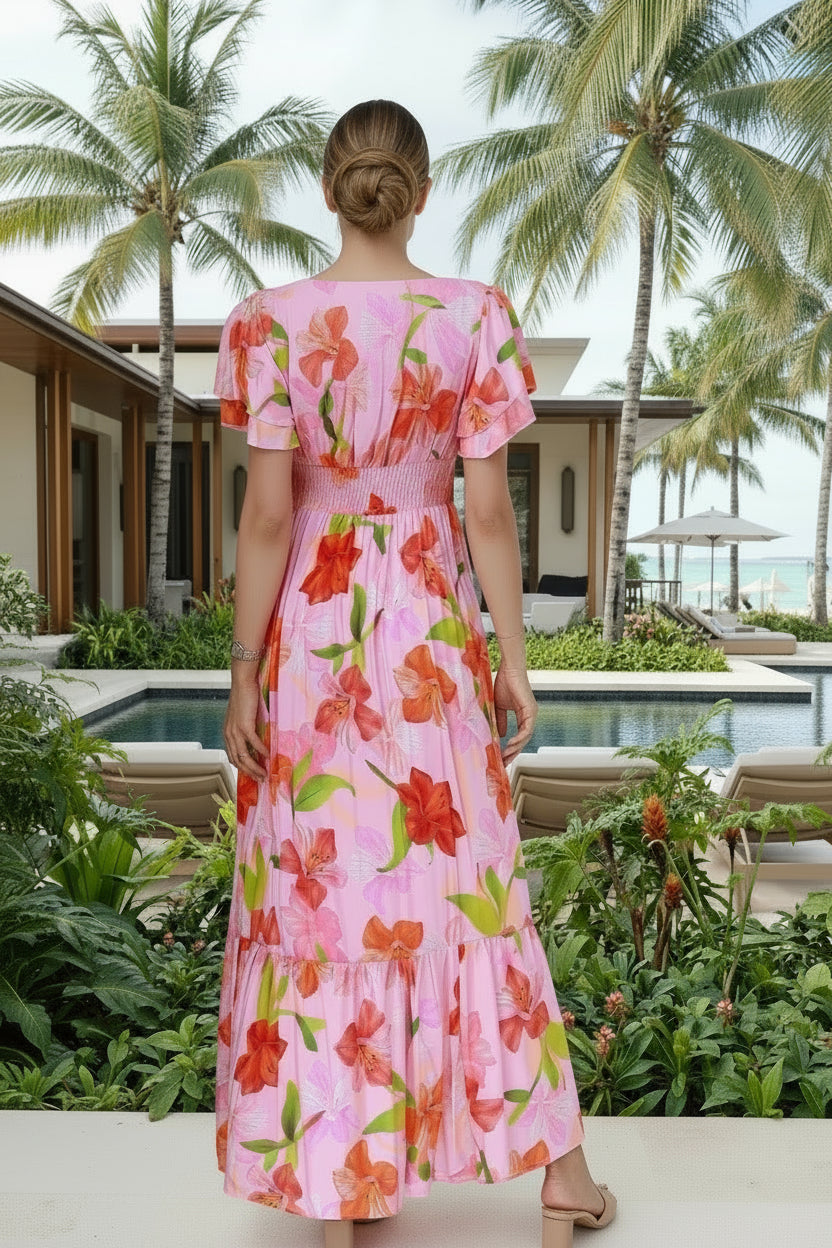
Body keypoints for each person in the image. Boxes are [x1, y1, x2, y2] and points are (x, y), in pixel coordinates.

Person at [214, 98, 616, 1248]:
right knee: (473, 889)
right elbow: (486, 511)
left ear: (328, 187)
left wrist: (242, 672)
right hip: (431, 639)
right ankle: (560, 1183)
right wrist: (513, 660)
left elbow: (263, 517)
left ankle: (346, 1188)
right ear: (420, 189)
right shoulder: (475, 315)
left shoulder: (267, 322)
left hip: (311, 637)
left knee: (320, 891)